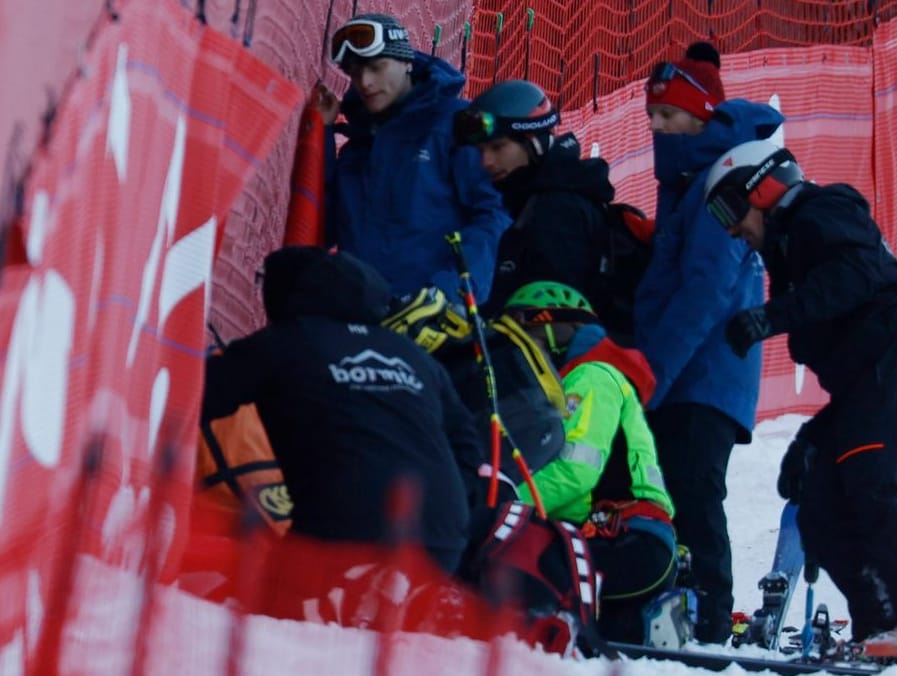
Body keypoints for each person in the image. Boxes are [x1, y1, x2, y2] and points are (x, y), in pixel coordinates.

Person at [703, 139, 897, 651]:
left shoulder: (822, 211)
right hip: (869, 381)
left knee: (875, 488)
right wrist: (812, 437)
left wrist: (771, 318)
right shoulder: (791, 245)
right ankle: (882, 626)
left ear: (763, 188)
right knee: (817, 498)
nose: (731, 228)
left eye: (729, 209)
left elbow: (857, 277)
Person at [201, 246, 483, 574]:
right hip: (441, 535)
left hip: (343, 528)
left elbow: (194, 395)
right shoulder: (414, 356)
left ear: (288, 290)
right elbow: (468, 445)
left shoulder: (284, 342)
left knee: (275, 612)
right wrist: (447, 506)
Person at [633, 42, 783, 644]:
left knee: (694, 490)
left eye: (668, 117)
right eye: (652, 117)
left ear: (701, 118)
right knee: (672, 489)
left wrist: (653, 373)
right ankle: (679, 605)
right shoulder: (691, 178)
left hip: (703, 373)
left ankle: (711, 617)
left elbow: (705, 292)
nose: (656, 128)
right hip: (690, 372)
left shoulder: (718, 182)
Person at [502, 281, 678, 644]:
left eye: (528, 336)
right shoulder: (573, 379)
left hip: (629, 543)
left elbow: (576, 472)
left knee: (508, 565)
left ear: (558, 329)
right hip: (613, 538)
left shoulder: (593, 376)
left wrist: (502, 504)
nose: (522, 351)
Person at [318, 13, 509, 304]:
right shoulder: (358, 145)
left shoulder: (455, 124)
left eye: (376, 67)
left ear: (407, 61)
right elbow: (326, 225)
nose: (365, 82)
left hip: (435, 318)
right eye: (355, 73)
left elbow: (493, 215)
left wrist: (448, 295)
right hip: (362, 315)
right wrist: (322, 134)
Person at [452, 79, 616, 319]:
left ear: (534, 143)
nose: (485, 161)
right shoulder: (535, 198)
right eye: (480, 151)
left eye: (498, 147)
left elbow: (553, 320)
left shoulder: (557, 211)